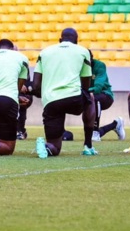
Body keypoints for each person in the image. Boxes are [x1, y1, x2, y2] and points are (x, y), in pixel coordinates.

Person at [32, 28, 96, 158]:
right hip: (73, 98)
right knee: (90, 98)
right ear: (76, 41)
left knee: (55, 147)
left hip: (51, 100)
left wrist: (43, 94)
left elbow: (36, 85)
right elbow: (86, 84)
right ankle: (88, 145)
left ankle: (46, 146)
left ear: (60, 40)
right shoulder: (83, 51)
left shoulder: (45, 52)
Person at [89, 56, 125, 142]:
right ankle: (115, 124)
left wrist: (84, 91)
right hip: (88, 95)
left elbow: (98, 88)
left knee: (94, 98)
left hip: (105, 95)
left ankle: (95, 132)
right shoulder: (79, 66)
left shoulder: (100, 66)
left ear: (91, 59)